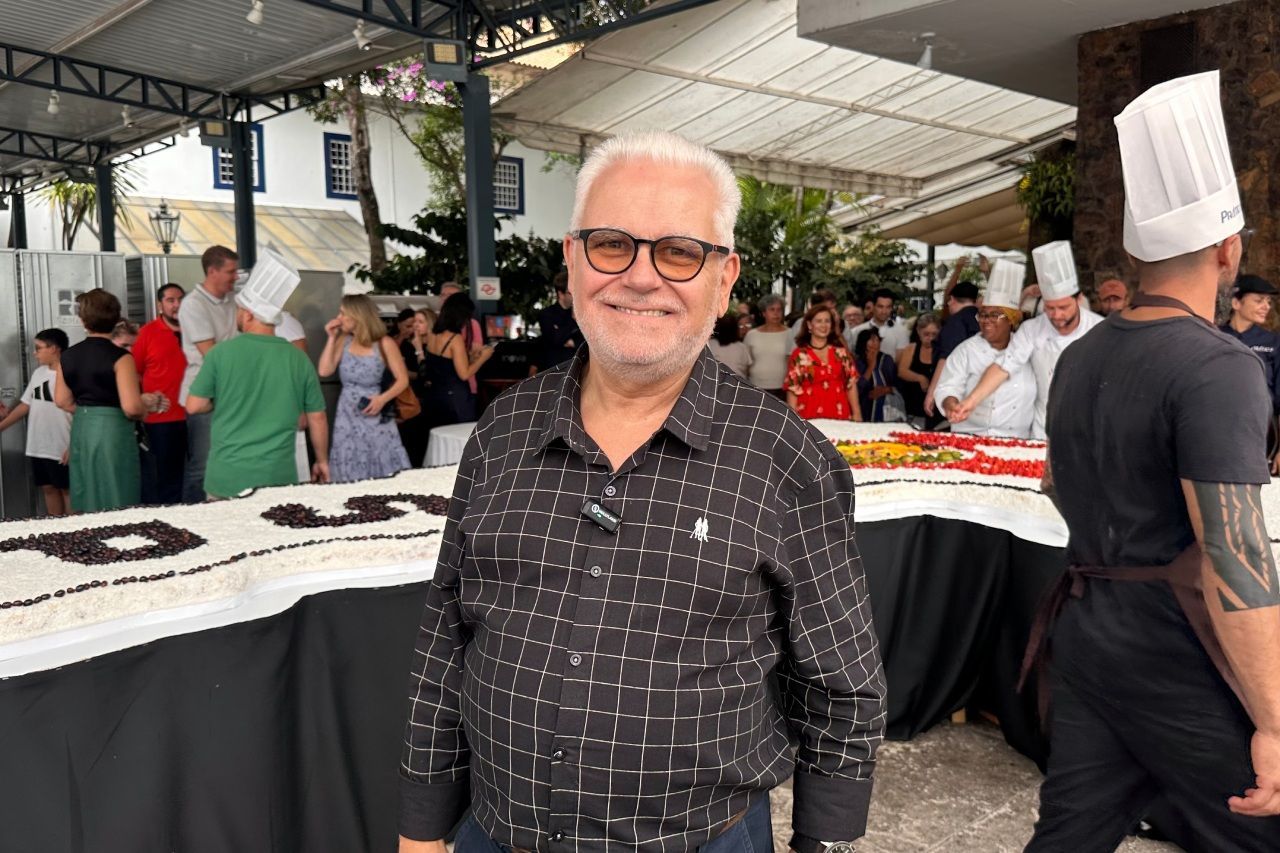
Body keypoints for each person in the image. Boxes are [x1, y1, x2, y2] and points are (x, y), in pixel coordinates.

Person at [398, 130, 885, 853]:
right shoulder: (503, 430)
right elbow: (447, 633)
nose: (641, 276)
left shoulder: (789, 459)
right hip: (493, 834)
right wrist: (421, 827)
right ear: (572, 260)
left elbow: (841, 686)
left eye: (679, 251)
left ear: (724, 279)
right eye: (612, 244)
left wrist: (828, 844)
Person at [1029, 70, 1280, 850]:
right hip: (1176, 650)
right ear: (1228, 247)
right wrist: (1274, 721)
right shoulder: (1220, 365)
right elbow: (1236, 557)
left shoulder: (1081, 355)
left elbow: (1055, 484)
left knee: (1071, 834)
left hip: (1089, 634)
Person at [185, 257, 328, 498]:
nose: (237, 316)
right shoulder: (298, 358)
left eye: (239, 311)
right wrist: (322, 460)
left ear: (249, 315)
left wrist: (220, 400)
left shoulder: (220, 353)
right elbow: (318, 417)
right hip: (278, 478)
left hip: (226, 477)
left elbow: (194, 405)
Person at [950, 241, 1103, 440]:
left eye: (1063, 307)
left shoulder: (1100, 330)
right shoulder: (1032, 329)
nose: (1056, 315)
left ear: (1079, 299)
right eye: (1050, 308)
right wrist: (971, 401)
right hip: (1043, 428)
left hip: (1087, 428)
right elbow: (1003, 366)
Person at [55, 289, 167, 511]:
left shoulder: (67, 356)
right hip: (113, 428)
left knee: (86, 490)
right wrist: (147, 404)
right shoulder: (121, 357)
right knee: (117, 491)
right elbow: (131, 407)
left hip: (83, 428)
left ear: (83, 320)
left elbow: (62, 401)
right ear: (116, 318)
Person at [933, 260, 1034, 437]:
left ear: (1010, 320)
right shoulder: (965, 350)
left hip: (1016, 441)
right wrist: (951, 404)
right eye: (983, 315)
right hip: (970, 436)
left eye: (995, 315)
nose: (986, 320)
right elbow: (947, 387)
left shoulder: (1027, 350)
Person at [318, 294, 411, 483]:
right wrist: (330, 338)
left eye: (343, 313)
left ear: (357, 315)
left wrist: (382, 399)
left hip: (375, 411)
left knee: (381, 464)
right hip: (347, 415)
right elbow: (324, 371)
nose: (339, 317)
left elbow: (402, 380)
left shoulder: (385, 343)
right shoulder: (344, 340)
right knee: (348, 459)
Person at [179, 245, 240, 504]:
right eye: (231, 271)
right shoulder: (193, 304)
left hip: (230, 392)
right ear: (212, 271)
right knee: (202, 465)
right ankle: (191, 521)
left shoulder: (234, 300)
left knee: (228, 462)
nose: (236, 276)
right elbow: (211, 355)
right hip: (205, 395)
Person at [0, 329, 72, 515]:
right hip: (39, 444)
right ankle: (55, 534)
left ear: (54, 349)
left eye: (39, 348)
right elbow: (26, 404)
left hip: (62, 444)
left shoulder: (71, 374)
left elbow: (81, 412)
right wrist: (2, 426)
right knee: (48, 489)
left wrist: (74, 445)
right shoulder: (39, 373)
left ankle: (74, 533)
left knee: (67, 490)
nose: (34, 353)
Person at [132, 283, 188, 505]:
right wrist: (144, 404)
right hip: (161, 419)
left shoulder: (197, 329)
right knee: (165, 477)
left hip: (196, 415)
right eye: (171, 300)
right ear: (160, 304)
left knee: (196, 474)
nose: (177, 305)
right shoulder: (147, 333)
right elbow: (134, 373)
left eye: (180, 299)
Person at [419, 293, 493, 428]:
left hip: (436, 397)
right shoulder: (454, 338)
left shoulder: (434, 334)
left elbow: (444, 364)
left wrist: (471, 358)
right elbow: (464, 374)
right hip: (455, 400)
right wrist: (483, 357)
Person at [784, 304, 861, 421]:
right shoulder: (799, 355)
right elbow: (793, 390)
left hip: (840, 415)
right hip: (808, 416)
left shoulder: (841, 353)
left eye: (827, 321)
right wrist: (793, 421)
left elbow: (851, 385)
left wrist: (857, 414)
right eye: (819, 321)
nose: (823, 325)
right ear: (809, 325)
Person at [896, 313, 941, 428]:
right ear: (918, 331)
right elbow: (902, 371)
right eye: (926, 334)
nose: (930, 338)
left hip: (936, 410)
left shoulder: (942, 352)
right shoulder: (911, 349)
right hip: (913, 406)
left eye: (934, 334)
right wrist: (920, 378)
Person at [743, 293, 790, 397]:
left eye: (779, 310)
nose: (776, 313)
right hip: (755, 385)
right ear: (764, 313)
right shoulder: (752, 335)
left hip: (782, 387)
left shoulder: (790, 334)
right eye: (772, 309)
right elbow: (745, 362)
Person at [852, 328, 901, 423]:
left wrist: (886, 389)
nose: (876, 342)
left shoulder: (887, 360)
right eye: (872, 339)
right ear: (863, 342)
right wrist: (871, 366)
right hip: (864, 409)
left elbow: (897, 384)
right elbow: (858, 389)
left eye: (878, 340)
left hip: (886, 409)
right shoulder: (857, 362)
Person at [846, 287, 910, 359]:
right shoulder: (857, 331)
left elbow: (900, 362)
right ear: (873, 306)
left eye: (888, 307)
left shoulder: (901, 331)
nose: (884, 311)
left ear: (892, 308)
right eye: (880, 307)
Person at [537, 270, 581, 371]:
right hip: (553, 369)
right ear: (561, 294)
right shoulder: (547, 314)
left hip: (575, 368)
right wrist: (573, 320)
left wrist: (571, 342)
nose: (576, 295)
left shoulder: (581, 314)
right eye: (571, 292)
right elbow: (555, 340)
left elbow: (586, 342)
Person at [708, 312, 752, 377]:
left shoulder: (709, 345)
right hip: (738, 383)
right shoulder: (741, 347)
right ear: (735, 329)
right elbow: (748, 369)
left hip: (714, 382)